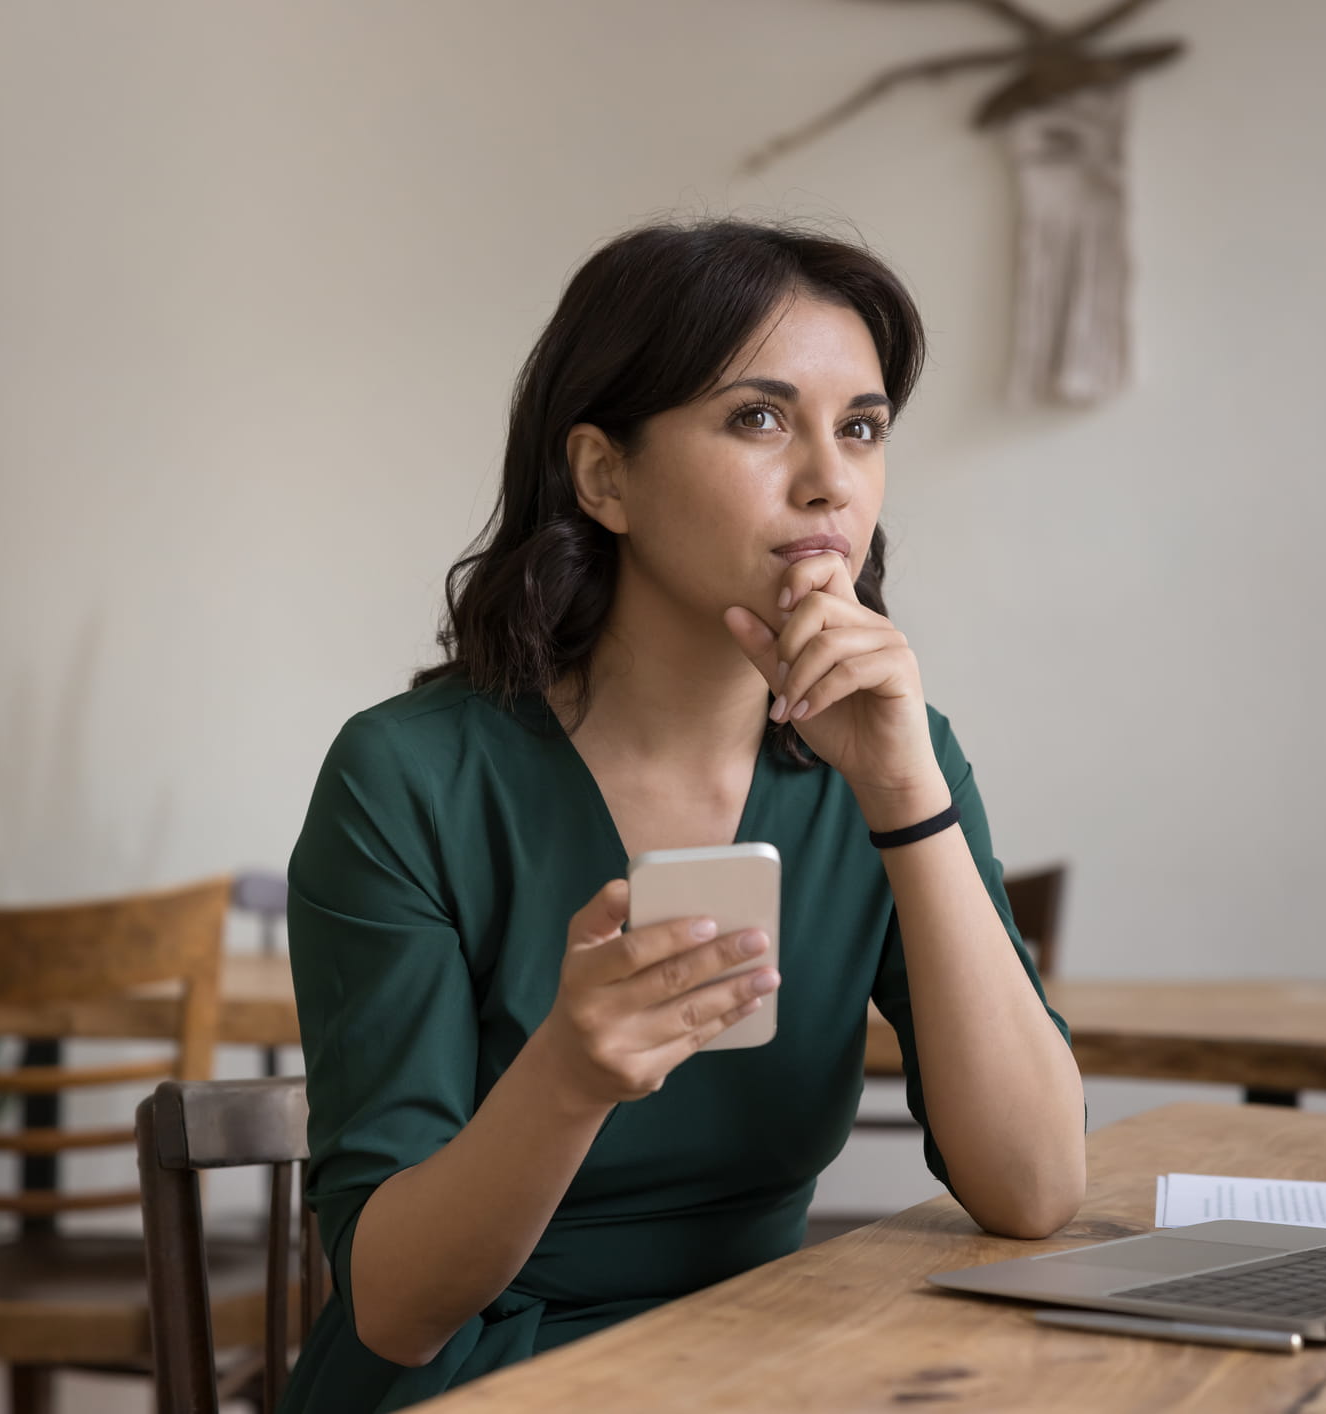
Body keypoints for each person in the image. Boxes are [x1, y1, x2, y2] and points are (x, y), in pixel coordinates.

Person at [281, 217, 1086, 1411]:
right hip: (469, 1385)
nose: (829, 478)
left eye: (859, 428)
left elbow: (1032, 1187)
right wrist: (565, 1076)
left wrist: (907, 798)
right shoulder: (404, 779)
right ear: (605, 475)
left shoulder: (893, 757)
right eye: (759, 418)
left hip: (754, 1367)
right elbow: (393, 1307)